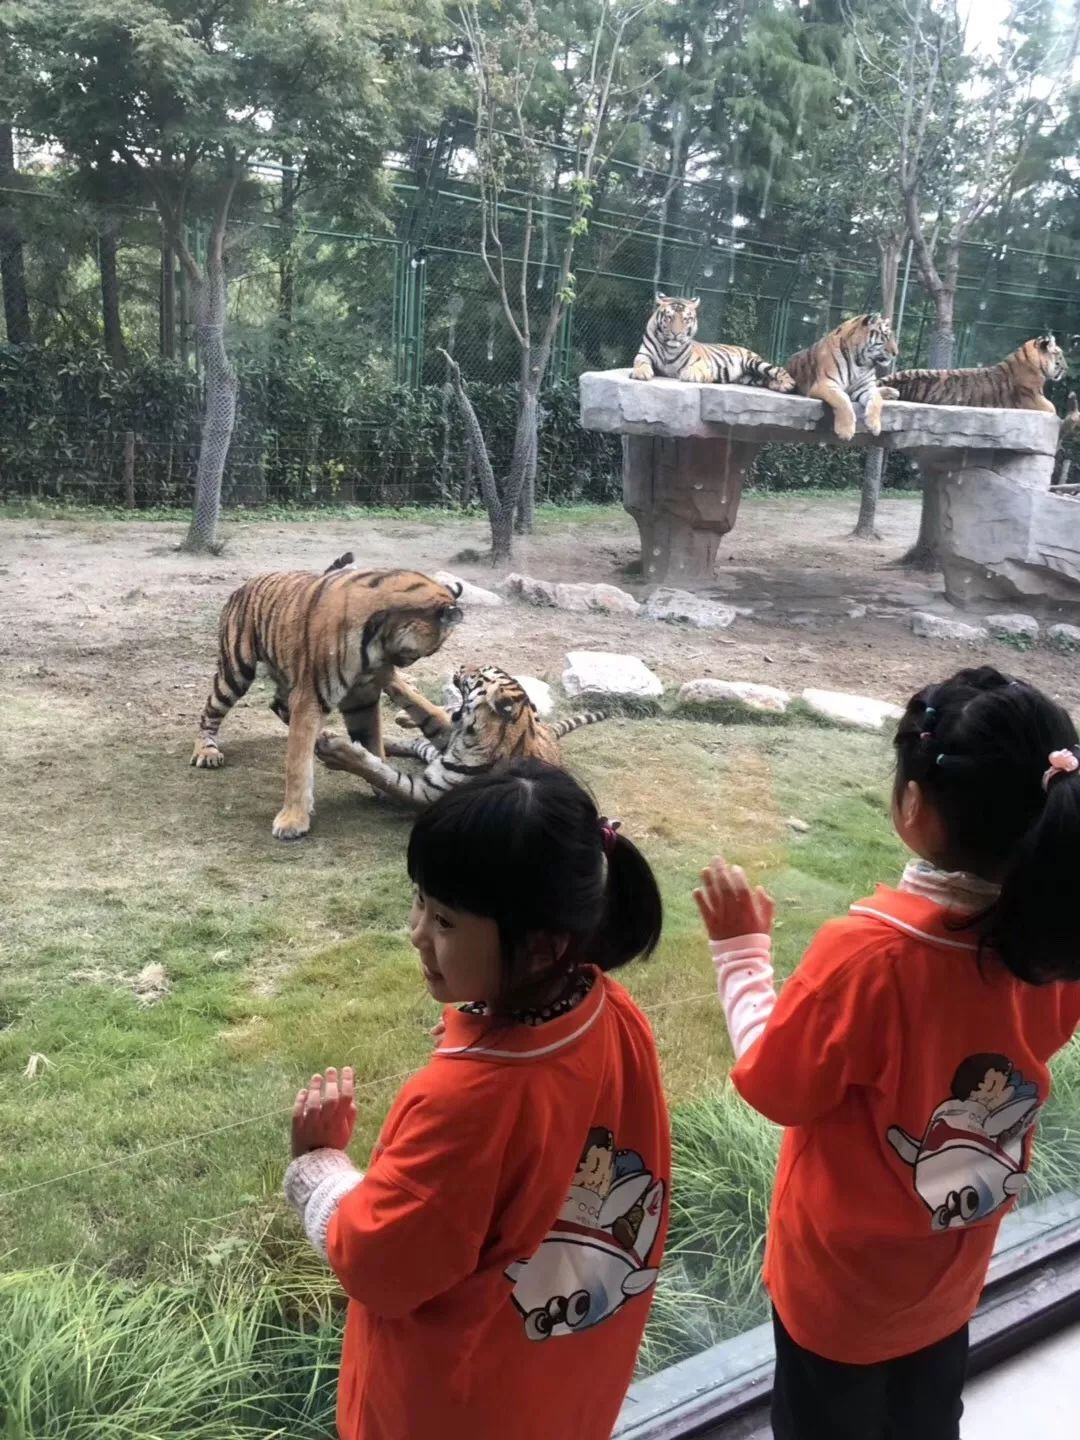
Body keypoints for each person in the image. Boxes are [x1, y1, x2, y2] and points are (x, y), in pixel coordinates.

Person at [694, 666, 1080, 1440]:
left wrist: (741, 955)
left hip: (839, 1298)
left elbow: (776, 1084)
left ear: (911, 805)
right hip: (951, 1274)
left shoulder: (869, 957)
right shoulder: (1053, 940)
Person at [284, 758, 670, 1440]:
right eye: (419, 902)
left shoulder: (466, 1102)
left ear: (542, 947)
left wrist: (318, 1170)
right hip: (564, 1393)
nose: (416, 933)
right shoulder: (613, 1015)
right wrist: (495, 1013)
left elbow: (379, 1265)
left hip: (449, 1413)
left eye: (447, 922)